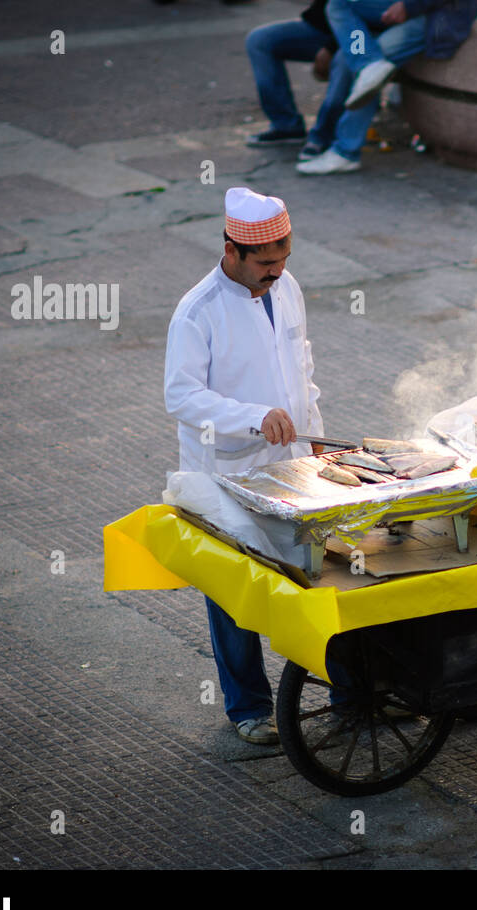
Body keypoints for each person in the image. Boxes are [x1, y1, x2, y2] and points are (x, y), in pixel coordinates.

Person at [164, 187, 325, 744]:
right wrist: (255, 416)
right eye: (265, 263)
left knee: (313, 575)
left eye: (283, 261)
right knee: (233, 594)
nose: (275, 273)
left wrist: (317, 435)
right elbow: (181, 397)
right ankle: (249, 710)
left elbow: (302, 370)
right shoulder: (197, 312)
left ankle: (347, 691)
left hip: (293, 463)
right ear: (230, 250)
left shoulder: (288, 287)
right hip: (225, 474)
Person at [297, 0, 477, 174]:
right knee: (343, 17)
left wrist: (408, 6)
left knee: (373, 67)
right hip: (414, 9)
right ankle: (366, 64)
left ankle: (346, 150)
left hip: (438, 15)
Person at [243, 0, 338, 147]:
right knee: (259, 40)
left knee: (352, 57)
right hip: (322, 25)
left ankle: (330, 135)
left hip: (355, 34)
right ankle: (286, 126)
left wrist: (331, 49)